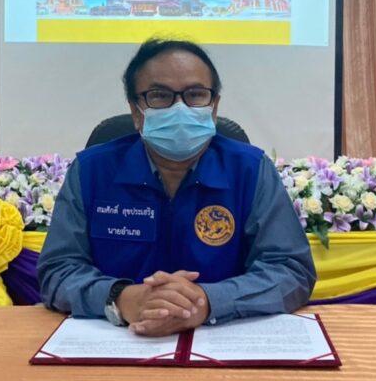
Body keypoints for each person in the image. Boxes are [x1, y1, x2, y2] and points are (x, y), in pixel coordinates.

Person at [38, 38, 316, 337]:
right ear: (136, 111)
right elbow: (58, 269)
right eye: (160, 96)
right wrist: (121, 298)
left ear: (214, 107)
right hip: (115, 336)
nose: (180, 108)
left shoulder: (250, 169)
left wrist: (208, 301)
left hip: (221, 336)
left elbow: (291, 269)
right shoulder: (92, 170)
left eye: (195, 95)